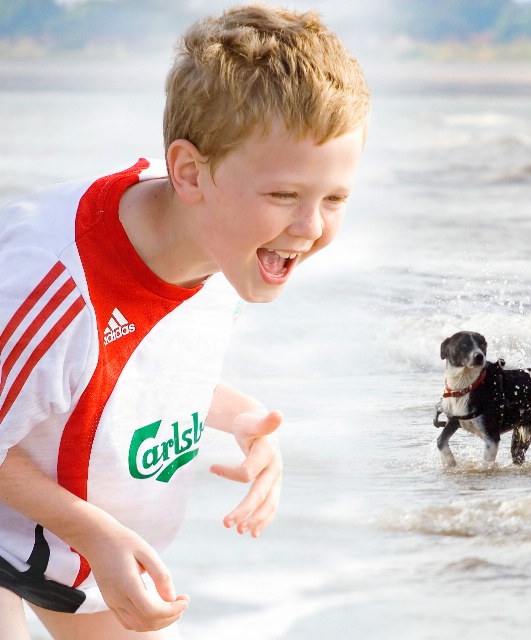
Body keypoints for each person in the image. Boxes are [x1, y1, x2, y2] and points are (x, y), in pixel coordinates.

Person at [0, 4, 370, 638]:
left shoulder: (221, 245)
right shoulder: (58, 285)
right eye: (283, 195)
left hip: (77, 558)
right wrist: (93, 530)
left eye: (334, 198)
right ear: (191, 171)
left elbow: (124, 372)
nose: (309, 229)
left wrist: (244, 420)